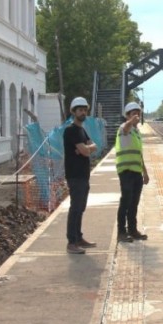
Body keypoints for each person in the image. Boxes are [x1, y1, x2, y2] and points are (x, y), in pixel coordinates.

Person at [63, 96, 98, 254]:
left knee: (81, 207)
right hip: (75, 175)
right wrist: (84, 149)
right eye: (80, 110)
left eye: (85, 110)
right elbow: (86, 150)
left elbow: (93, 146)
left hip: (84, 175)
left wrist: (85, 149)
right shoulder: (71, 130)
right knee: (75, 208)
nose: (83, 112)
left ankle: (78, 238)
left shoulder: (82, 130)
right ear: (73, 112)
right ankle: (71, 242)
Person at [115, 102, 150, 243]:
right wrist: (131, 121)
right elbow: (126, 127)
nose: (136, 116)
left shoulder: (136, 132)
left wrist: (145, 172)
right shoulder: (124, 128)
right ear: (127, 116)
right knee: (125, 201)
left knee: (134, 202)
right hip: (126, 171)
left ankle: (133, 230)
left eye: (138, 113)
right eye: (133, 113)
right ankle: (121, 232)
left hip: (136, 172)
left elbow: (139, 154)